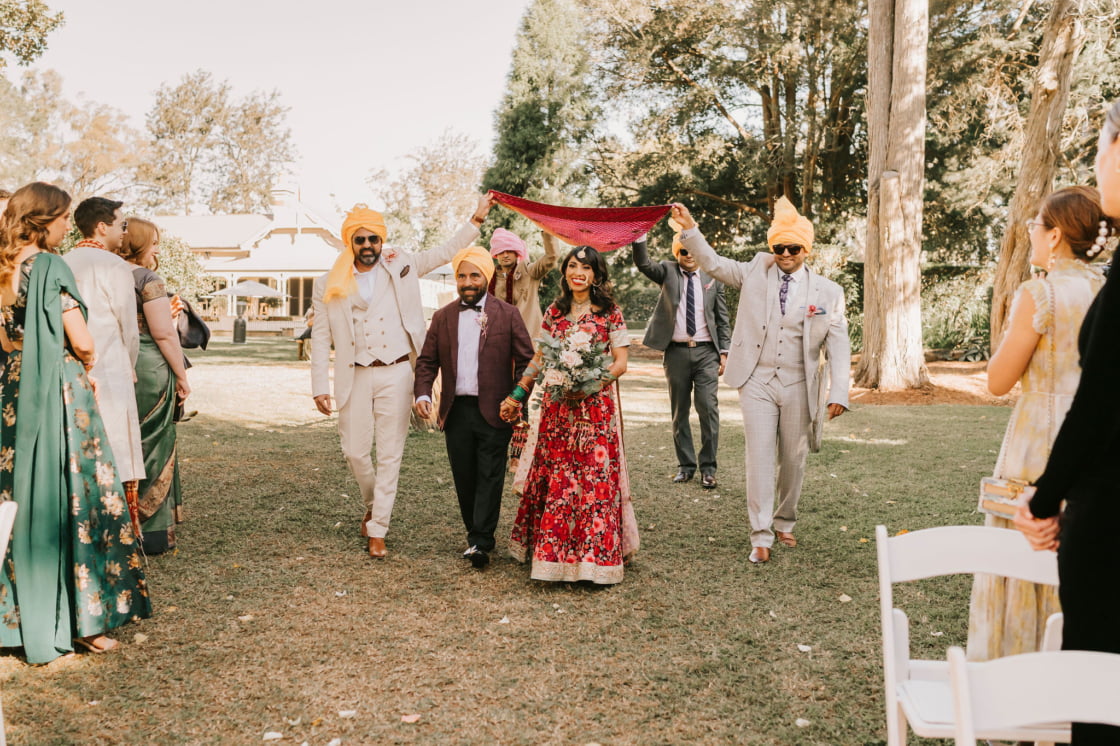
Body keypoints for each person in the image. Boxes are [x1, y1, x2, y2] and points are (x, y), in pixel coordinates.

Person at [0, 182, 150, 663]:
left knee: (23, 492)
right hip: (59, 388)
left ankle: (18, 617)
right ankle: (82, 620)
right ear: (42, 220)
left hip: (14, 387)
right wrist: (85, 365)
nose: (68, 225)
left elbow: (6, 341)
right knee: (76, 492)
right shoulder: (49, 266)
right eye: (64, 217)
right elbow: (82, 340)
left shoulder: (4, 268)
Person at [1015, 102, 1120, 745]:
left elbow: (1102, 400)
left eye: (1103, 147)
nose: (1098, 163)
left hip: (1108, 514)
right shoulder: (1099, 280)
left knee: (1100, 685)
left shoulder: (1043, 292)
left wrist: (1045, 496)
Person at [311, 195, 495, 558]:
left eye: (373, 239)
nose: (368, 245)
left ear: (382, 239)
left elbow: (445, 251)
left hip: (397, 372)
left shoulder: (402, 263)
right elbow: (319, 336)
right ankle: (372, 504)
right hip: (354, 374)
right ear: (350, 242)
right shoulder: (327, 282)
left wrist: (476, 218)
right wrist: (319, 386)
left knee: (390, 454)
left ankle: (378, 528)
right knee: (355, 452)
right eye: (360, 240)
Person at [967, 186, 1106, 662]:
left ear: (1056, 235)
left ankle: (1017, 675)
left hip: (1036, 442)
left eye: (1035, 225)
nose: (1030, 233)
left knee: (1023, 555)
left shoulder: (1039, 293)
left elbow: (998, 381)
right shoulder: (1106, 291)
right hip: (1093, 444)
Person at [673, 198, 850, 564]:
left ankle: (785, 521)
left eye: (793, 248)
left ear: (806, 249)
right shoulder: (755, 269)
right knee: (759, 456)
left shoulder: (828, 292)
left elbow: (838, 345)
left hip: (800, 382)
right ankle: (761, 535)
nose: (784, 254)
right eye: (779, 247)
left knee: (793, 459)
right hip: (756, 380)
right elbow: (713, 263)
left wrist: (839, 392)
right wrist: (689, 228)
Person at [506, 245, 639, 584]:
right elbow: (539, 358)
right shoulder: (555, 311)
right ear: (564, 272)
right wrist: (519, 392)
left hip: (595, 411)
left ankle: (593, 562)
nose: (578, 273)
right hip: (557, 408)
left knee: (593, 479)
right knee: (559, 479)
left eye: (586, 267)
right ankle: (551, 557)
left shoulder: (610, 312)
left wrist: (591, 384)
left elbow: (621, 362)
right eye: (572, 266)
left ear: (596, 274)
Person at [413, 246, 534, 568]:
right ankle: (475, 533)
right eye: (462, 276)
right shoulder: (442, 317)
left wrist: (516, 398)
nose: (467, 282)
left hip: (497, 410)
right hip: (455, 412)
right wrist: (423, 394)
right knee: (465, 478)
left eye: (474, 275)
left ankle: (480, 541)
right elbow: (427, 361)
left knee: (490, 476)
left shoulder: (507, 314)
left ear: (486, 277)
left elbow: (527, 361)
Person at [64, 197, 145, 521]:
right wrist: (130, 364)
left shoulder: (62, 262)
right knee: (118, 450)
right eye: (121, 224)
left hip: (72, 368)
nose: (124, 232)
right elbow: (129, 327)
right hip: (111, 366)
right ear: (102, 227)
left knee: (82, 448)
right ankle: (118, 525)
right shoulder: (114, 266)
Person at [114, 217, 191, 555]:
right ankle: (152, 530)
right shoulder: (147, 279)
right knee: (154, 441)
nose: (157, 250)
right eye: (154, 243)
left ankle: (119, 522)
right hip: (148, 365)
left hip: (112, 361)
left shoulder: (105, 273)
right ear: (141, 243)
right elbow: (163, 334)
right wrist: (182, 376)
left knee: (122, 439)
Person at [632, 229, 730, 488]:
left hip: (707, 352)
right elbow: (643, 263)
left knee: (708, 408)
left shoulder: (712, 276)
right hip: (675, 352)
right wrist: (640, 236)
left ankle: (708, 468)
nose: (689, 255)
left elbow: (722, 318)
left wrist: (724, 352)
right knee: (680, 411)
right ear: (677, 253)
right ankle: (686, 466)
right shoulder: (667, 270)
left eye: (693, 250)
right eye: (684, 251)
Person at [489, 227, 558, 340]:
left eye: (509, 251)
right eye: (501, 251)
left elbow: (551, 257)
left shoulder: (528, 271)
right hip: (501, 341)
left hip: (529, 339)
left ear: (517, 252)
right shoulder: (491, 280)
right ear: (496, 254)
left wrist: (548, 231)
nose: (505, 255)